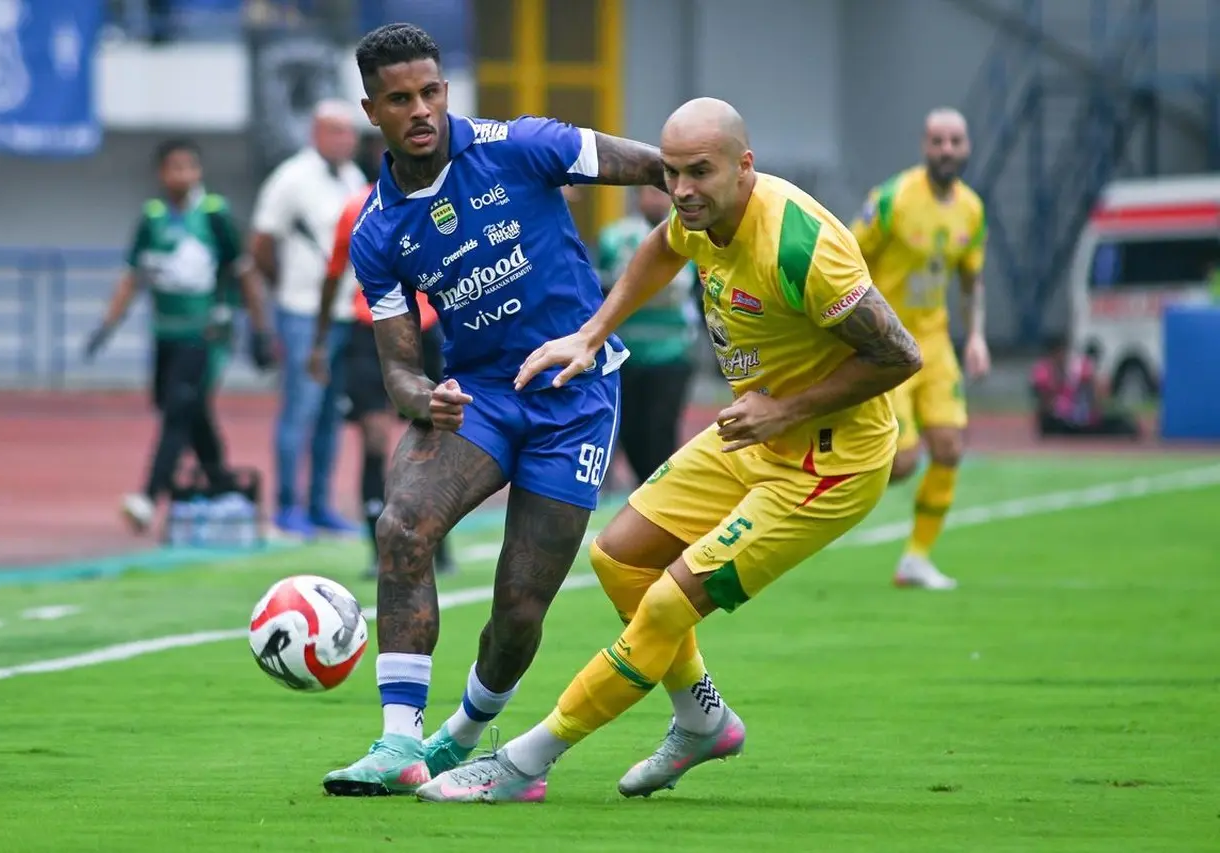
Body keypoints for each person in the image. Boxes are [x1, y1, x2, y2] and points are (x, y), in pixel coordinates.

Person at [415, 97, 923, 804]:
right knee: (619, 556)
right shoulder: (698, 217)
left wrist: (786, 408)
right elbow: (660, 248)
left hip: (828, 461)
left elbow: (900, 354)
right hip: (754, 434)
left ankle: (524, 763)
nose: (681, 189)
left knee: (663, 607)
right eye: (673, 172)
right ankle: (702, 718)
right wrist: (592, 332)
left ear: (746, 167)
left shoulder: (802, 247)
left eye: (700, 172)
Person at [320, 22, 668, 797]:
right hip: (479, 397)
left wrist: (724, 193)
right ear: (372, 109)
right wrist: (427, 398)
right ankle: (396, 741)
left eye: (431, 92)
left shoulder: (525, 146)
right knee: (402, 524)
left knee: (518, 605)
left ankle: (465, 736)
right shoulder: (378, 231)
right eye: (400, 98)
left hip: (574, 397)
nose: (421, 110)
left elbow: (659, 166)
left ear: (447, 91)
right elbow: (401, 371)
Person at [84, 138, 275, 531]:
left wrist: (259, 330)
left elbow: (246, 274)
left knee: (177, 411)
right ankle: (221, 482)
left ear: (199, 172)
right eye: (174, 168)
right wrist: (107, 325)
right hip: (164, 332)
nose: (182, 175)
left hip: (204, 332)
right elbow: (131, 277)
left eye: (189, 167)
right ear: (161, 173)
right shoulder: (152, 217)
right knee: (183, 409)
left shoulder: (214, 214)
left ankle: (148, 497)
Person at [849, 107, 991, 591]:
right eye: (938, 141)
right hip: (887, 342)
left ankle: (916, 559)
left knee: (949, 447)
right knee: (904, 462)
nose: (947, 150)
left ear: (966, 147)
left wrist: (976, 337)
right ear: (924, 146)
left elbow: (972, 282)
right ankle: (824, 483)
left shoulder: (972, 208)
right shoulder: (892, 199)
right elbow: (846, 255)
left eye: (955, 141)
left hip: (934, 341)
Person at [309, 185, 457, 578]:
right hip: (369, 330)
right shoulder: (356, 206)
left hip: (424, 329)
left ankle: (438, 540)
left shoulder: (434, 201)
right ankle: (378, 547)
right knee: (374, 438)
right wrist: (320, 341)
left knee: (433, 435)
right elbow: (333, 272)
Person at [249, 100, 367, 538]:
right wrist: (286, 289)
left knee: (332, 414)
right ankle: (286, 507)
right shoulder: (291, 179)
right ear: (315, 133)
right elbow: (261, 243)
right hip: (301, 312)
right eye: (335, 132)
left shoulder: (353, 178)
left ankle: (320, 505)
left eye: (349, 132)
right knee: (301, 408)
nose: (345, 140)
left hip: (344, 313)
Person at [596, 187, 699, 484]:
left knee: (660, 432)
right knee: (629, 433)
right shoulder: (615, 238)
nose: (655, 200)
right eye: (649, 193)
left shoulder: (694, 237)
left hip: (673, 352)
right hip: (626, 354)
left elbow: (701, 298)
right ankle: (640, 495)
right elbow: (601, 294)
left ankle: (660, 496)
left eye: (661, 194)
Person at [1030, 335, 1140, 438]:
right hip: (1063, 417)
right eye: (1061, 352)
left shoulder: (1074, 369)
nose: (1063, 356)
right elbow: (1043, 399)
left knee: (1121, 424)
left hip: (1077, 415)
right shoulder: (1045, 370)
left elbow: (1097, 396)